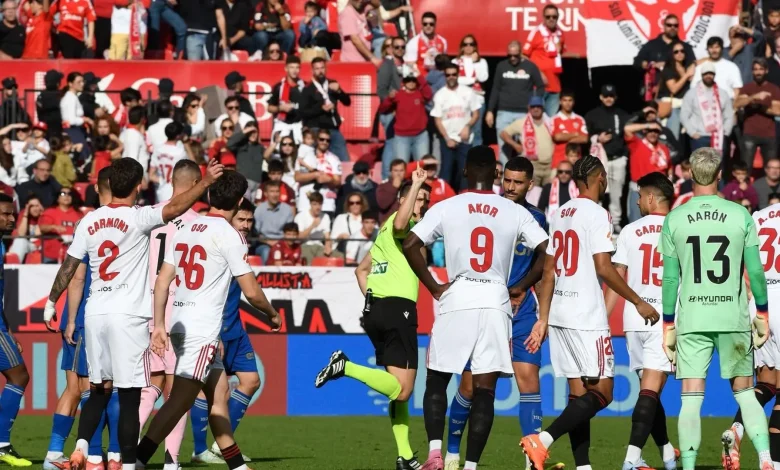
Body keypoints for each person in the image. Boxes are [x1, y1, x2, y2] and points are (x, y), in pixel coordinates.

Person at [42, 158, 224, 470]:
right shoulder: (140, 217)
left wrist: (51, 301)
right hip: (128, 317)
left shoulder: (89, 220)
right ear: (138, 187)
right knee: (128, 397)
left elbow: (70, 266)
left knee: (97, 391)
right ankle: (127, 465)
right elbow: (175, 208)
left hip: (95, 314)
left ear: (110, 186)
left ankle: (84, 449)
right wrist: (205, 182)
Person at [401, 146, 548, 470]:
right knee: (485, 388)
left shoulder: (448, 206)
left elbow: (410, 243)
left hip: (458, 295)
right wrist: (522, 286)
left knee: (438, 379)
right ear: (496, 175)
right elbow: (548, 251)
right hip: (496, 300)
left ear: (465, 172)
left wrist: (434, 286)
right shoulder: (515, 211)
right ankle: (470, 466)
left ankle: (436, 455)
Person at [520, 155, 660, 470]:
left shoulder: (559, 213)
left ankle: (583, 467)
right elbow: (603, 268)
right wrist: (637, 300)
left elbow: (549, 272)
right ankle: (541, 441)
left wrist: (543, 318)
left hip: (560, 312)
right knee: (604, 393)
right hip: (586, 315)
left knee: (577, 394)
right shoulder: (597, 214)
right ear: (600, 178)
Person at [135, 171, 281, 470]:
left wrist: (161, 324)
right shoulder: (230, 235)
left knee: (219, 397)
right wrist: (272, 313)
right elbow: (251, 292)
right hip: (202, 332)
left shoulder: (186, 228)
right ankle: (135, 460)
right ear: (239, 201)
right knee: (179, 402)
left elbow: (163, 280)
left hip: (179, 323)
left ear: (211, 196)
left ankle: (237, 466)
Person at [658, 147, 773, 470]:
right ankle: (765, 460)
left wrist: (668, 324)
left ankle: (690, 466)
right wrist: (761, 313)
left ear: (690, 175)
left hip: (693, 318)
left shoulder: (675, 218)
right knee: (746, 393)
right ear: (720, 175)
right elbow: (756, 273)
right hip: (732, 317)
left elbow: (669, 280)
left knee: (691, 399)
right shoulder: (739, 215)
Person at [315, 165, 430, 470]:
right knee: (404, 390)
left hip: (377, 309)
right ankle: (346, 367)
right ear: (405, 199)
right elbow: (403, 218)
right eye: (419, 199)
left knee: (398, 390)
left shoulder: (385, 235)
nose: (423, 205)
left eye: (425, 201)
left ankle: (405, 457)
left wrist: (373, 300)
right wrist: (416, 185)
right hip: (397, 309)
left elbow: (360, 270)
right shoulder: (399, 223)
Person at [443, 157, 551, 470]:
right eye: (508, 181)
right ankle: (452, 453)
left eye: (519, 182)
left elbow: (545, 263)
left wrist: (524, 293)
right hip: (484, 306)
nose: (511, 187)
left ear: (531, 184)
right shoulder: (487, 210)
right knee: (468, 386)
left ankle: (533, 457)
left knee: (529, 379)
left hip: (522, 309)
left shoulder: (537, 218)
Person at [600, 172, 679, 470]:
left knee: (649, 392)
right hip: (665, 319)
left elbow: (616, 276)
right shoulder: (680, 227)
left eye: (639, 196)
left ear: (650, 197)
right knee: (650, 391)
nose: (636, 201)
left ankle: (668, 452)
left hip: (634, 319)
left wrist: (605, 320)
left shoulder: (631, 230)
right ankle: (631, 459)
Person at [42, 168, 118, 470]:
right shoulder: (129, 222)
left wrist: (64, 314)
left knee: (80, 388)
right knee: (93, 389)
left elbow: (76, 273)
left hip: (86, 317)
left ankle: (60, 453)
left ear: (99, 189)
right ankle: (91, 456)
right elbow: (78, 275)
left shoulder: (90, 223)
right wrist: (73, 318)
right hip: (96, 318)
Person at [137, 160, 204, 470]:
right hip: (181, 314)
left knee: (148, 388)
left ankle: (129, 457)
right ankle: (170, 459)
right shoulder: (197, 223)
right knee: (178, 394)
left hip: (148, 310)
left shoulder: (148, 216)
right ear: (195, 185)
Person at [195, 198, 262, 463]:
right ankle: (200, 450)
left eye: (249, 220)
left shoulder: (239, 243)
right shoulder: (220, 240)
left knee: (251, 381)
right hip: (216, 327)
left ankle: (218, 446)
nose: (246, 225)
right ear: (229, 217)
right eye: (241, 220)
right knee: (209, 391)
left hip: (236, 327)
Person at [751, 195, 780, 469]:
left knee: (767, 382)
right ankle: (775, 460)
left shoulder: (759, 216)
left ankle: (736, 429)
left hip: (758, 302)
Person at [486, 40, 545, 163]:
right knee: (503, 147)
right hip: (504, 112)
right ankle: (504, 179)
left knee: (524, 147)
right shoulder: (501, 66)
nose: (512, 58)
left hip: (523, 113)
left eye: (515, 55)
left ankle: (522, 177)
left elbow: (540, 86)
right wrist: (490, 110)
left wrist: (534, 103)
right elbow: (495, 88)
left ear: (521, 53)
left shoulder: (530, 66)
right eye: (509, 55)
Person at [585, 84, 631, 231]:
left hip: (618, 159)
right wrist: (598, 138)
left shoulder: (623, 114)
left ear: (615, 97)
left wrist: (624, 156)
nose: (608, 99)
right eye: (606, 96)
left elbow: (630, 132)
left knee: (616, 194)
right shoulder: (592, 115)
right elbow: (584, 136)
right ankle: (596, 223)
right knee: (597, 191)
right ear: (600, 97)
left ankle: (615, 223)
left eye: (611, 96)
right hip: (599, 160)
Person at [431, 63, 480, 193]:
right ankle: (444, 200)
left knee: (464, 173)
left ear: (458, 75)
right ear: (445, 76)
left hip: (465, 139)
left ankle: (464, 200)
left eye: (454, 74)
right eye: (448, 75)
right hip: (448, 139)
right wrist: (447, 138)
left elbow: (476, 113)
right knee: (446, 172)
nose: (451, 77)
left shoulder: (468, 92)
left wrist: (468, 126)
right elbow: (437, 119)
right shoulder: (440, 95)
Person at [299, 58, 351, 161]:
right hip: (316, 129)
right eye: (317, 68)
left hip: (333, 129)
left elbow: (347, 102)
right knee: (314, 161)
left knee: (344, 160)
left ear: (326, 69)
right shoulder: (308, 88)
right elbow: (303, 112)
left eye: (322, 68)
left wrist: (339, 90)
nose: (320, 71)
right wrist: (321, 108)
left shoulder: (333, 84)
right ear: (312, 71)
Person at [633, 14, 695, 101]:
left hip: (680, 96)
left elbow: (692, 66)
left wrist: (667, 65)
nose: (672, 27)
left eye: (675, 25)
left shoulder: (685, 47)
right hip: (657, 95)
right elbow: (637, 62)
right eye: (669, 25)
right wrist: (649, 64)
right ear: (664, 26)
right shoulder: (652, 45)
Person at [680, 61, 735, 153]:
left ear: (714, 75)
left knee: (718, 166)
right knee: (701, 166)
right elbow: (684, 115)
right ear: (701, 75)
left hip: (719, 137)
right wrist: (692, 132)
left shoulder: (723, 94)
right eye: (706, 73)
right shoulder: (692, 93)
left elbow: (729, 115)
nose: (708, 76)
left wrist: (725, 132)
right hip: (700, 137)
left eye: (711, 73)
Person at [499, 96, 553, 186]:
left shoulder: (550, 122)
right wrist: (515, 145)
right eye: (533, 106)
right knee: (532, 196)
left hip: (550, 166)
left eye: (538, 106)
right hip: (532, 165)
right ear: (529, 108)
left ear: (542, 108)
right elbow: (503, 133)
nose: (536, 109)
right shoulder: (522, 122)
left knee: (549, 197)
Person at [623, 121, 671, 223]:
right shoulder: (637, 143)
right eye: (650, 131)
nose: (653, 133)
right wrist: (647, 125)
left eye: (656, 131)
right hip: (639, 190)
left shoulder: (664, 148)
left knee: (658, 224)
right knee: (636, 222)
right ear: (645, 131)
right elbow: (627, 129)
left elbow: (669, 167)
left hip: (658, 192)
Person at [378, 74, 432, 164]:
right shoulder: (397, 95)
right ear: (403, 82)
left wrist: (419, 76)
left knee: (422, 166)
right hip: (401, 137)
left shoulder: (420, 94)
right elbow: (382, 109)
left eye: (413, 80)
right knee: (401, 166)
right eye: (408, 80)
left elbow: (428, 95)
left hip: (420, 136)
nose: (411, 83)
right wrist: (389, 99)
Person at [736, 58, 780, 168]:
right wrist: (753, 97)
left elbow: (778, 111)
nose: (758, 72)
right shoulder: (747, 88)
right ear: (752, 71)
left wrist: (760, 107)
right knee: (746, 168)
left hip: (769, 134)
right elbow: (737, 104)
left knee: (771, 169)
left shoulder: (774, 89)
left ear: (766, 71)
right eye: (755, 69)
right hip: (749, 133)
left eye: (761, 69)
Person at [522, 5, 564, 117]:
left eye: (554, 16)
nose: (551, 19)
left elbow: (560, 55)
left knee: (550, 123)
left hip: (555, 86)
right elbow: (523, 56)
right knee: (535, 120)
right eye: (548, 16)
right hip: (538, 86)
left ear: (558, 17)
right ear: (543, 17)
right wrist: (538, 73)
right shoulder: (536, 32)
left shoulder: (560, 34)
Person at [294, 128, 342, 218]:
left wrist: (329, 180)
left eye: (328, 140)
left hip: (326, 205)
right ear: (316, 140)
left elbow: (338, 182)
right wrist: (315, 175)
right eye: (321, 139)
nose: (325, 142)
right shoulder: (304, 154)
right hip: (305, 203)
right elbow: (297, 177)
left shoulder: (334, 159)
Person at [454, 34, 488, 146]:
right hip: (461, 102)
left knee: (477, 133)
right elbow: (456, 80)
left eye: (471, 44)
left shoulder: (481, 62)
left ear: (475, 47)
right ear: (462, 47)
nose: (468, 46)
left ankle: (476, 162)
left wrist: (473, 63)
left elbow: (483, 77)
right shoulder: (455, 62)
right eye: (465, 44)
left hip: (478, 102)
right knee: (462, 132)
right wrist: (473, 79)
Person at [657, 42, 695, 140]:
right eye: (676, 52)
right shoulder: (668, 69)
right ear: (671, 54)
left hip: (685, 107)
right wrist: (686, 76)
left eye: (682, 51)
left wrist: (694, 64)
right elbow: (673, 89)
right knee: (672, 137)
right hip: (672, 108)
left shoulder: (687, 67)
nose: (680, 53)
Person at [39, 187, 82, 264]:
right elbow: (42, 228)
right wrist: (53, 227)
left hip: (73, 256)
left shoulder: (79, 214)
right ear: (57, 198)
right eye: (63, 193)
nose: (66, 196)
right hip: (51, 256)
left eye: (69, 194)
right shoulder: (50, 212)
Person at [254, 180, 294, 263]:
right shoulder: (259, 209)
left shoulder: (287, 209)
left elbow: (290, 232)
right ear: (266, 194)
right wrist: (269, 242)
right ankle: (265, 275)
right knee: (267, 252)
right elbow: (255, 233)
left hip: (283, 243)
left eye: (277, 191)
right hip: (264, 243)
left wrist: (279, 243)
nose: (275, 194)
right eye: (272, 191)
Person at [692, 36, 743, 101]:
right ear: (707, 49)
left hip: (727, 104)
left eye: (717, 47)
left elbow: (737, 89)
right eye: (711, 47)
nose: (714, 50)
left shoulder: (732, 66)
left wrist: (733, 108)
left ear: (721, 48)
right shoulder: (700, 67)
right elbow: (694, 88)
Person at [268, 56, 305, 144]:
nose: (294, 70)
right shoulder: (278, 87)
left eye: (297, 67)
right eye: (292, 67)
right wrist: (280, 108)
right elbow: (269, 108)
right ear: (286, 68)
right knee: (276, 152)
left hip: (298, 126)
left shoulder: (304, 87)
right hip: (282, 124)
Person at [149, 121, 188, 204]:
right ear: (178, 135)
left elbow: (151, 175)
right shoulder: (180, 152)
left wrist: (162, 181)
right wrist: (186, 143)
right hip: (175, 193)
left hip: (160, 192)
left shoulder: (158, 149)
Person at [294, 191, 337, 264]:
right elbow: (299, 237)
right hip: (305, 246)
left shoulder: (325, 217)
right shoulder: (301, 216)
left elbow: (327, 236)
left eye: (320, 204)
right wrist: (313, 226)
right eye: (315, 204)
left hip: (319, 246)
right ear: (310, 204)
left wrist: (327, 246)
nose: (318, 207)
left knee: (336, 257)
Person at [227, 121, 265, 200]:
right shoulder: (241, 145)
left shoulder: (260, 147)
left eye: (255, 132)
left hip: (257, 185)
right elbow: (229, 144)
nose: (253, 134)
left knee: (253, 210)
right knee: (244, 208)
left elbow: (268, 156)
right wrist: (245, 131)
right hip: (244, 182)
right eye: (250, 132)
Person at [551, 91, 588, 169]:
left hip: (576, 163)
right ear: (560, 102)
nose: (567, 103)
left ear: (573, 102)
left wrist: (565, 138)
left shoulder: (579, 119)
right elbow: (557, 137)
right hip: (558, 162)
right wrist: (575, 134)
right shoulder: (554, 119)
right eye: (565, 100)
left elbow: (585, 139)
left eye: (570, 100)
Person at [404, 11, 447, 76]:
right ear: (422, 24)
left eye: (431, 24)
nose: (428, 26)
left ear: (435, 24)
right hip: (422, 79)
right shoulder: (413, 43)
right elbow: (410, 65)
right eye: (425, 24)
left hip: (439, 77)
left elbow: (444, 62)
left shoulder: (443, 41)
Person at [338, 0, 380, 65]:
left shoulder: (361, 9)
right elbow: (355, 39)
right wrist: (372, 58)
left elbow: (377, 4)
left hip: (364, 60)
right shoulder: (347, 13)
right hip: (352, 62)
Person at [120, 106, 150, 172]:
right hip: (136, 176)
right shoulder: (134, 135)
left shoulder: (126, 132)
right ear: (142, 119)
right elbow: (132, 159)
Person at [376, 159, 405, 223]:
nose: (398, 174)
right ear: (391, 172)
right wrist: (394, 188)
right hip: (387, 225)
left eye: (401, 170)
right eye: (395, 170)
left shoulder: (409, 186)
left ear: (405, 171)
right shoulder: (383, 186)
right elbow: (383, 205)